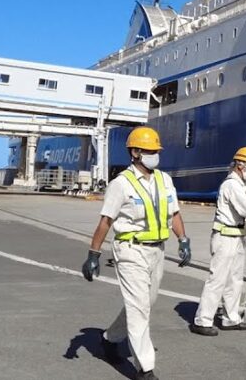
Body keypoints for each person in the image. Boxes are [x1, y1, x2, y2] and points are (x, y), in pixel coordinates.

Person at [81, 126, 191, 380]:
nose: (155, 155)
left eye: (156, 151)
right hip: (130, 250)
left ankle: (110, 338)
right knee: (140, 308)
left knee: (145, 303)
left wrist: (183, 240)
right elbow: (106, 221)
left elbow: (174, 213)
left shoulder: (165, 180)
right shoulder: (121, 184)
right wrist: (93, 254)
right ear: (135, 152)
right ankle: (145, 368)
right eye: (149, 151)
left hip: (157, 251)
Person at [190, 147, 246, 336]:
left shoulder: (238, 185)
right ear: (241, 165)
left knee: (235, 280)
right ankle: (202, 320)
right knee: (217, 279)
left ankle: (231, 317)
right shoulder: (231, 185)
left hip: (236, 236)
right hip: (225, 237)